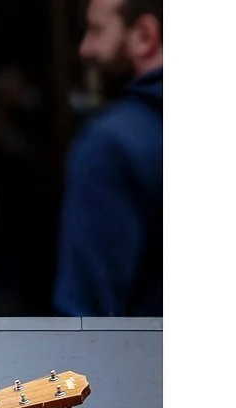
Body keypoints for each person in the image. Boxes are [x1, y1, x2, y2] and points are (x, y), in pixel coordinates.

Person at [52, 0, 163, 317]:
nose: (86, 49)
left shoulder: (111, 144)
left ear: (144, 35)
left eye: (97, 30)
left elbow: (87, 322)